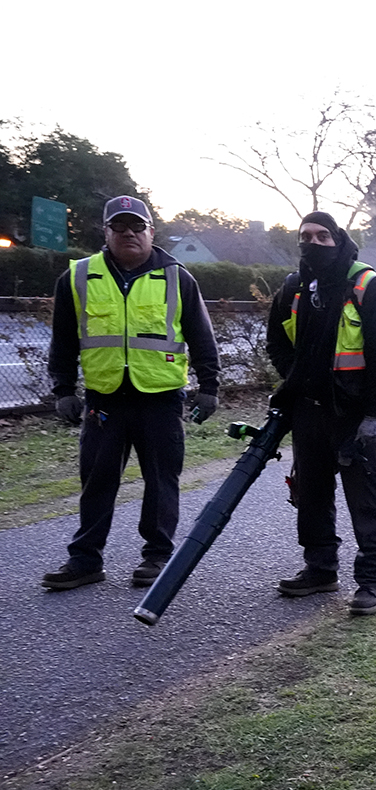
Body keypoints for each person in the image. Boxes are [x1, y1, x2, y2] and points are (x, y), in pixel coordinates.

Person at [43, 195, 220, 591]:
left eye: (137, 227)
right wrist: (62, 389)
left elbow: (201, 336)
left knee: (162, 480)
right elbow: (62, 341)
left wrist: (209, 387)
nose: (128, 234)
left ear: (151, 232)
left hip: (160, 397)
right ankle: (85, 560)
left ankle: (157, 558)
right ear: (105, 232)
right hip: (104, 399)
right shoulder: (78, 276)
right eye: (119, 227)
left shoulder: (177, 277)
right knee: (97, 479)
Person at [265, 211, 376, 615]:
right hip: (308, 412)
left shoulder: (367, 286)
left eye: (323, 235)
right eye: (306, 236)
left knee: (368, 500)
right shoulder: (294, 288)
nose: (314, 243)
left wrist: (373, 414)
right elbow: (276, 343)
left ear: (338, 239)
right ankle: (320, 569)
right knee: (312, 495)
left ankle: (371, 582)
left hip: (354, 415)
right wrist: (298, 379)